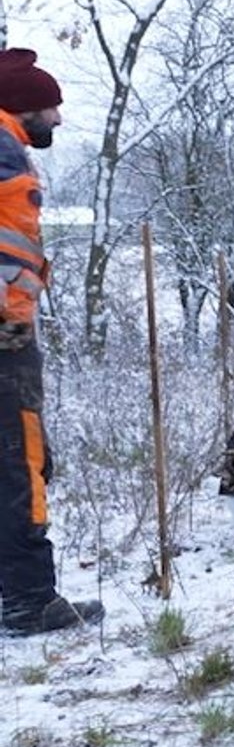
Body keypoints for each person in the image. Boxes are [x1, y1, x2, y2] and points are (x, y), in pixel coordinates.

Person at [0, 49, 102, 637]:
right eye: (49, 105)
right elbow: (9, 252)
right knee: (20, 465)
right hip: (4, 344)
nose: (58, 118)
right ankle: (30, 601)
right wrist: (10, 322)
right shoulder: (4, 153)